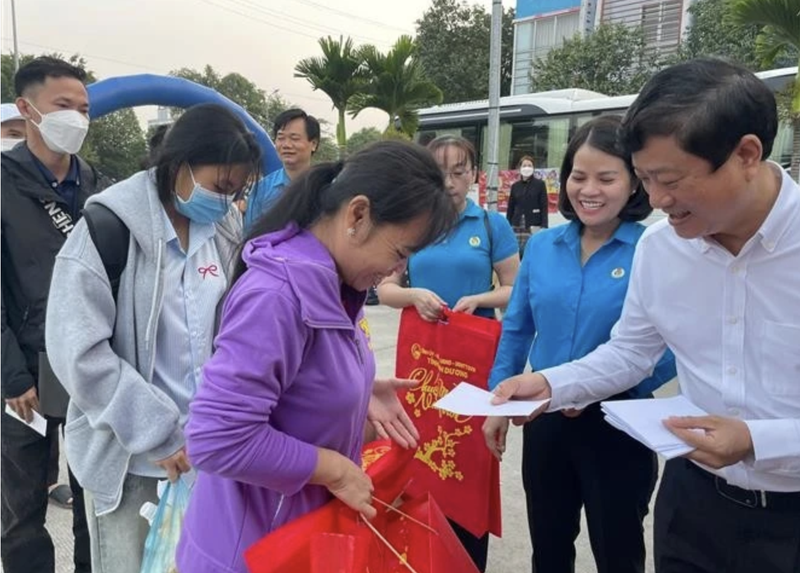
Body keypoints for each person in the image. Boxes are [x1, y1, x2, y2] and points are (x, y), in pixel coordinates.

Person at [491, 58, 800, 573]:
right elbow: (632, 351)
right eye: (645, 179)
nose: (656, 200)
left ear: (747, 154)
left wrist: (756, 440)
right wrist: (550, 384)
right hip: (694, 503)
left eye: (670, 180)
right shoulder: (663, 248)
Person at [175, 141, 457, 573]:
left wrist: (357, 391)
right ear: (357, 216)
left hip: (300, 538)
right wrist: (336, 470)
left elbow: (299, 383)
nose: (395, 272)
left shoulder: (338, 285)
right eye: (399, 254)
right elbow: (216, 439)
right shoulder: (278, 296)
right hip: (253, 551)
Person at [44, 103, 262, 573]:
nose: (225, 200)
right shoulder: (107, 231)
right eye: (220, 186)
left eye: (235, 191)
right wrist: (158, 433)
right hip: (134, 457)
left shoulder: (222, 227)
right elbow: (79, 354)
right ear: (179, 163)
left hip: (208, 450)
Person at [483, 115, 676, 573]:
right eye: (578, 176)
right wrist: (499, 402)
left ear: (634, 184)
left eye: (606, 178)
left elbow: (670, 347)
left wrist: (590, 387)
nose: (589, 189)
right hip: (546, 422)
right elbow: (517, 329)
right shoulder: (544, 246)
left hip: (620, 423)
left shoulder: (654, 250)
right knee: (548, 548)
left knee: (619, 550)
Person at [376, 135, 520, 571]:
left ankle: (467, 561)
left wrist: (481, 299)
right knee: (419, 463)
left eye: (460, 171)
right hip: (422, 369)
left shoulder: (492, 226)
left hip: (474, 368)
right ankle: (421, 557)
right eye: (441, 172)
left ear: (474, 175)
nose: (451, 182)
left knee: (469, 465)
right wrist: (414, 293)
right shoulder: (415, 226)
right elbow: (384, 290)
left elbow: (516, 291)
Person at [1, 56, 105, 573]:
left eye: (84, 109)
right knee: (22, 507)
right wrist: (11, 376)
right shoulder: (3, 181)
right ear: (27, 109)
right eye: (64, 106)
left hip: (87, 365)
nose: (77, 119)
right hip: (26, 373)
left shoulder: (95, 184)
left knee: (94, 497)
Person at [243, 107, 320, 230]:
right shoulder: (261, 189)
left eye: (294, 138)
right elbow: (250, 235)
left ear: (314, 144)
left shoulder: (326, 187)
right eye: (281, 138)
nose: (286, 145)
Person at [506, 155, 549, 231]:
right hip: (516, 223)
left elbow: (544, 206)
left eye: (529, 165)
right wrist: (507, 225)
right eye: (524, 165)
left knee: (533, 242)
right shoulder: (515, 186)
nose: (527, 168)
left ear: (533, 168)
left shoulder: (540, 184)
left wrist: (544, 226)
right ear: (520, 168)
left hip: (534, 223)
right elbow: (510, 208)